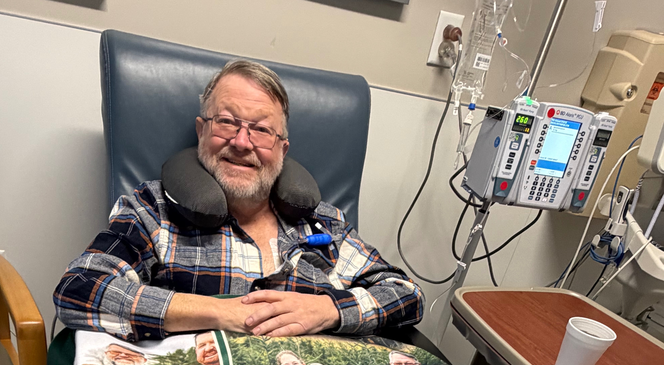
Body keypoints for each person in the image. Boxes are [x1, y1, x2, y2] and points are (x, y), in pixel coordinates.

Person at [53, 58, 424, 342]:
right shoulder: (152, 210)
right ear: (202, 130)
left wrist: (329, 309)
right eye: (227, 122)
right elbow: (79, 290)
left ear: (282, 150)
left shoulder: (323, 223)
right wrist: (221, 312)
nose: (242, 143)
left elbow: (407, 294)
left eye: (261, 130)